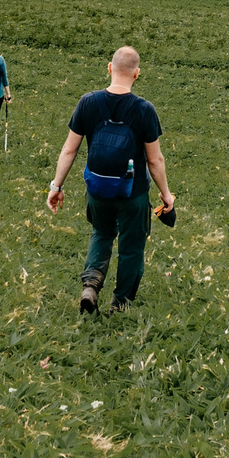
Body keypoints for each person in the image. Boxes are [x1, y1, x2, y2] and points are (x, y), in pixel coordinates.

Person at [46, 45, 174, 314]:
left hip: (97, 190)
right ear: (137, 74)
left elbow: (70, 149)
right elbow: (155, 160)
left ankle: (91, 285)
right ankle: (120, 304)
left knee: (101, 233)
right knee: (131, 246)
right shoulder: (144, 109)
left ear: (109, 68)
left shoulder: (88, 102)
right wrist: (166, 195)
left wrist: (56, 186)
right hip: (133, 194)